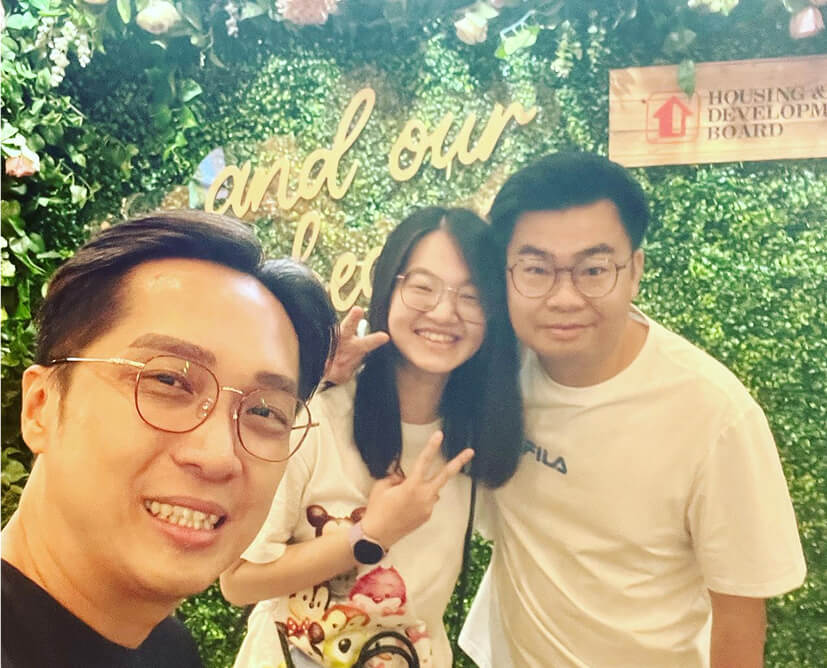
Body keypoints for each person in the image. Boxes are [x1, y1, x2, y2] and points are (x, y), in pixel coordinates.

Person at [329, 153, 807, 667]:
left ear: (635, 270)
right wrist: (327, 369)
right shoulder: (497, 369)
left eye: (593, 270)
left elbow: (739, 615)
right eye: (536, 270)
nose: (564, 298)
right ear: (506, 275)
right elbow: (416, 351)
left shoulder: (714, 415)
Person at [1, 211, 338, 668]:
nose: (218, 455)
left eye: (264, 412)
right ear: (40, 407)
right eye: (168, 381)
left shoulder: (169, 649)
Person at [220, 207, 524, 668]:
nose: (445, 312)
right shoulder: (320, 413)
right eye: (423, 287)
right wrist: (370, 534)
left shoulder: (480, 438)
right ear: (388, 288)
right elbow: (239, 580)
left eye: (472, 296)